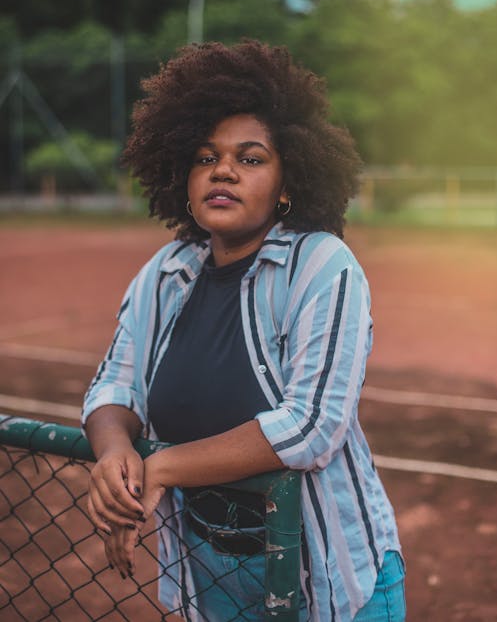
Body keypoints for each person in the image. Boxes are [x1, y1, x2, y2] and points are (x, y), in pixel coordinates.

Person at [82, 39, 405, 622]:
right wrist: (113, 457)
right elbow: (114, 387)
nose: (223, 169)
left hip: (326, 571)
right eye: (205, 158)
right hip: (210, 571)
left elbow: (310, 426)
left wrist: (159, 467)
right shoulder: (165, 272)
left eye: (250, 159)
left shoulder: (321, 264)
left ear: (287, 184)